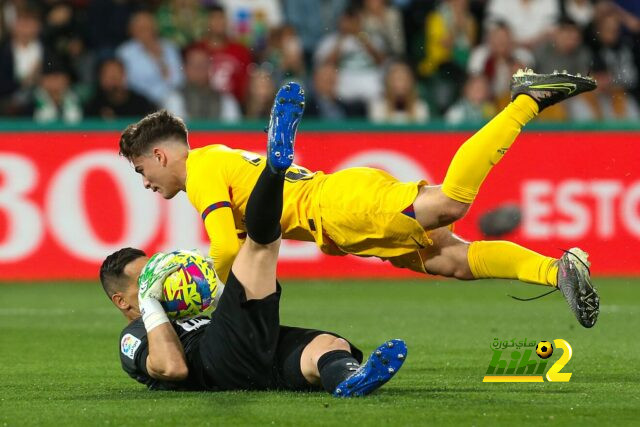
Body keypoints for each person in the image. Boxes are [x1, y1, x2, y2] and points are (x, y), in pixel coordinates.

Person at [118, 70, 600, 329]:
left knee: (449, 203)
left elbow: (224, 249)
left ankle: (526, 100)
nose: (143, 182)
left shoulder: (200, 169)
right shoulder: (218, 157)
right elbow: (250, 247)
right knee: (451, 259)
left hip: (338, 206)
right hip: (338, 216)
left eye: (141, 170)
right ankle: (558, 272)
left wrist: (210, 301)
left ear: (159, 154)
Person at [101, 101, 407, 393]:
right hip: (214, 360)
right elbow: (173, 368)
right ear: (123, 301)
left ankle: (348, 379)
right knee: (258, 244)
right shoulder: (135, 335)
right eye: (146, 282)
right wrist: (151, 305)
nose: (160, 284)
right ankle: (274, 169)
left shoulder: (189, 308)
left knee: (328, 346)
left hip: (252, 351)